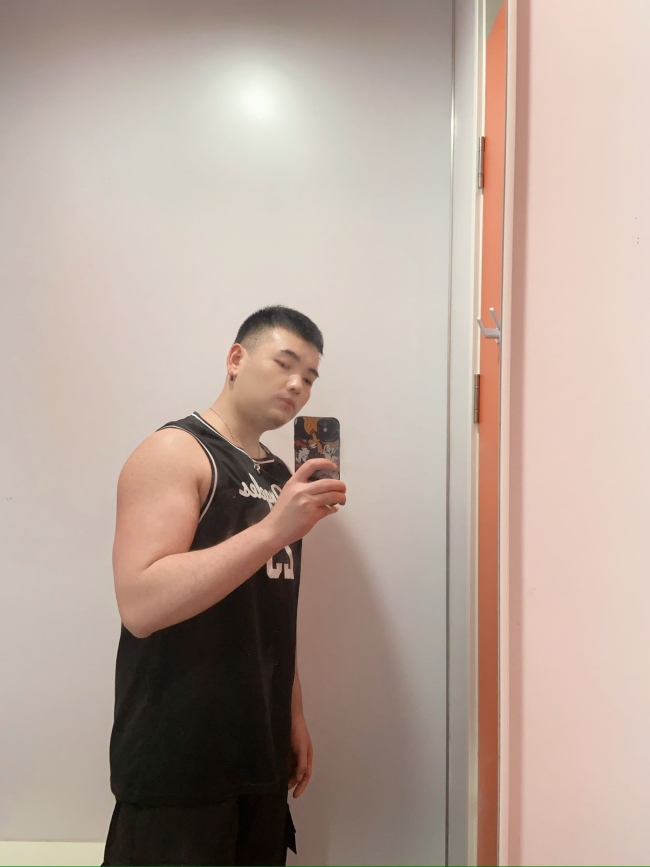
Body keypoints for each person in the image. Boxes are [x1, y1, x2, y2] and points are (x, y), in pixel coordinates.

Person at [102, 306, 346, 866]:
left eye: (310, 377)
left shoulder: (280, 478)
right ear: (236, 359)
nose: (298, 385)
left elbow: (273, 607)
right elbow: (140, 603)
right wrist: (275, 530)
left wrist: (292, 712)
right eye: (285, 364)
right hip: (177, 763)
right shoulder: (175, 451)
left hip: (259, 754)